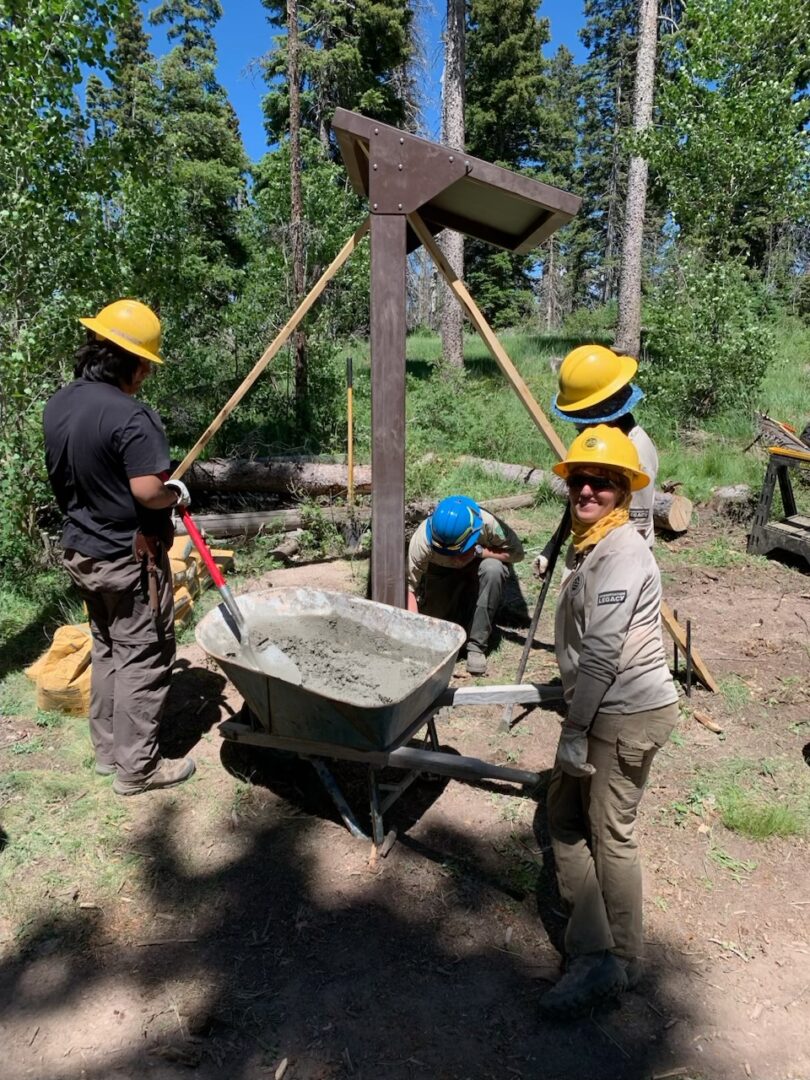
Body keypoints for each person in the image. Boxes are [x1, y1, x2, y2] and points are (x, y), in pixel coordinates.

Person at [539, 424, 679, 1018]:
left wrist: (574, 731)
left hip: (625, 713)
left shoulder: (623, 550)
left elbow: (601, 650)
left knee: (609, 833)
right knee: (563, 816)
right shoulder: (593, 540)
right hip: (600, 707)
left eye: (603, 482)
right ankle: (595, 945)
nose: (587, 489)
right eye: (579, 479)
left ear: (625, 491)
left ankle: (617, 961)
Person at [43, 299, 195, 796]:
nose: (147, 374)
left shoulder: (61, 403)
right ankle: (139, 769)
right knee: (143, 655)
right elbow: (147, 491)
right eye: (146, 364)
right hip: (126, 558)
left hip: (82, 549)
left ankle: (109, 753)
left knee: (107, 648)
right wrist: (176, 492)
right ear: (128, 360)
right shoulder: (131, 416)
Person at [533, 344, 658, 578]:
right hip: (585, 548)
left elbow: (635, 530)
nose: (578, 426)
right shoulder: (595, 443)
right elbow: (579, 503)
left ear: (599, 409)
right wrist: (552, 548)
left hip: (616, 562)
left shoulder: (635, 452)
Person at [407, 495, 524, 675]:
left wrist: (480, 552)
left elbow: (517, 554)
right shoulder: (421, 540)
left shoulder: (488, 524)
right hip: (441, 572)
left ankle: (476, 646)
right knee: (438, 629)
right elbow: (410, 588)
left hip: (476, 566)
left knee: (493, 569)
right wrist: (414, 635)